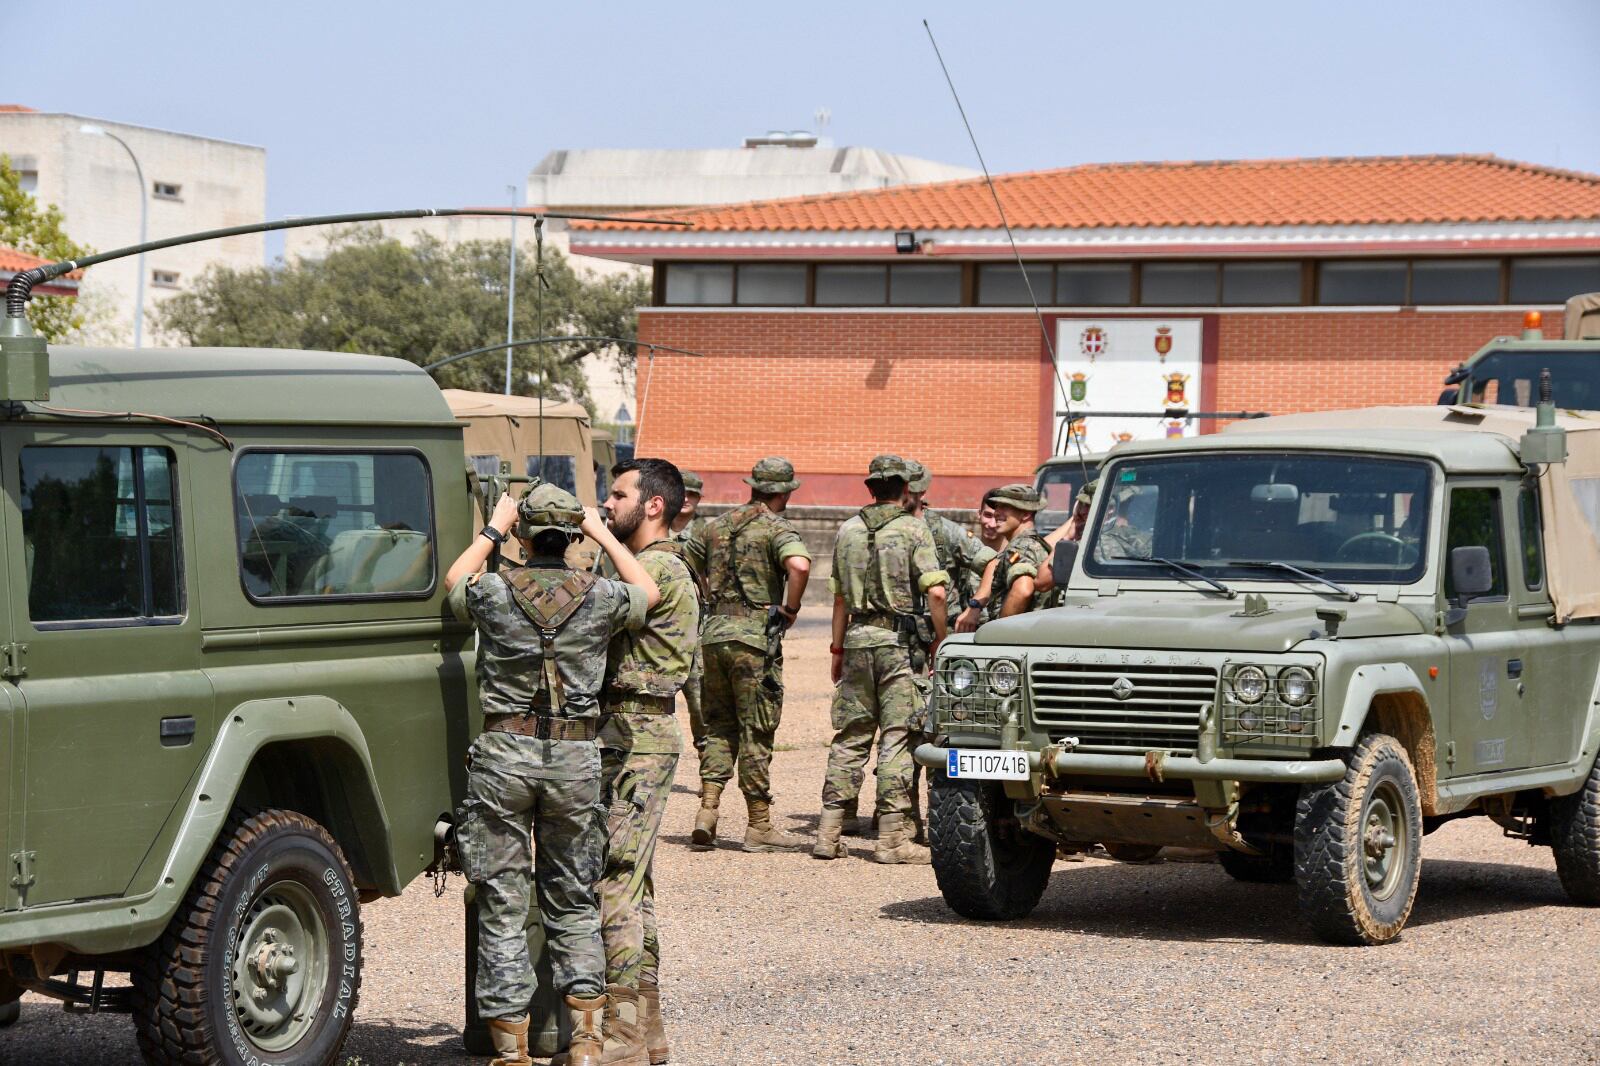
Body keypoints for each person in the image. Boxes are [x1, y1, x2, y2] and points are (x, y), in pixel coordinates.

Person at [446, 485, 659, 1066]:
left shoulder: (494, 589)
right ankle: (586, 1042)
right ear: (570, 536)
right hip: (574, 757)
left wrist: (492, 527)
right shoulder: (601, 595)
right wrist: (602, 532)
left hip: (505, 755)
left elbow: (454, 582)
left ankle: (511, 1050)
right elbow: (649, 591)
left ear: (522, 534)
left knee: (503, 901)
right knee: (573, 897)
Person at [592, 459, 698, 1066]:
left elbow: (634, 601)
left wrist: (598, 538)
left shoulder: (655, 568)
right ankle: (647, 1033)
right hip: (635, 731)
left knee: (614, 882)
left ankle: (622, 1037)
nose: (607, 505)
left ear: (653, 505)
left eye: (618, 494)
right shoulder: (652, 563)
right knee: (635, 885)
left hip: (636, 733)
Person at [814, 455, 948, 864]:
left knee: (851, 735)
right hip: (898, 645)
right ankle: (891, 839)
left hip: (856, 640)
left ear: (870, 488)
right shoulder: (914, 529)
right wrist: (941, 640)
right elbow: (936, 592)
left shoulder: (848, 529)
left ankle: (828, 833)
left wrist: (837, 649)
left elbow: (839, 599)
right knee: (897, 736)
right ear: (905, 489)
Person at [682, 456, 812, 851]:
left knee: (719, 725)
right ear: (783, 493)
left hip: (714, 635)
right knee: (756, 728)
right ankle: (758, 825)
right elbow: (799, 566)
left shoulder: (714, 525)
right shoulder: (776, 527)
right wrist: (790, 608)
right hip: (753, 639)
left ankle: (707, 811)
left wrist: (711, 595)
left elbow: (689, 562)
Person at [905, 460, 997, 635]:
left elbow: (993, 563)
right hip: (895, 634)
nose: (901, 495)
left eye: (908, 491)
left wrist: (974, 607)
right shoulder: (881, 529)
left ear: (922, 492)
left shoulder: (945, 530)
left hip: (937, 631)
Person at [671, 470, 709, 757]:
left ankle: (707, 757)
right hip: (660, 621)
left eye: (693, 494)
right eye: (682, 493)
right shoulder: (652, 528)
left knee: (699, 696)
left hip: (696, 623)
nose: (686, 499)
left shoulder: (707, 533)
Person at [977, 483, 1050, 622]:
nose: (996, 513)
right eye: (997, 506)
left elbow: (1022, 591)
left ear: (1026, 513)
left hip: (1019, 632)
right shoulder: (1032, 544)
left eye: (1005, 507)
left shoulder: (1022, 547)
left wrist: (999, 630)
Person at [978, 488, 1008, 553]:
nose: (992, 525)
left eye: (999, 518)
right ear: (979, 514)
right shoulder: (965, 553)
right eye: (988, 515)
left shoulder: (1018, 556)